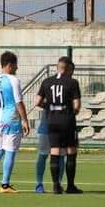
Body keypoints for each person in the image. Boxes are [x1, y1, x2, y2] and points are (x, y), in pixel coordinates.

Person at [35, 57, 82, 194]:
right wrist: (72, 111)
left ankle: (56, 186)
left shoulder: (47, 81)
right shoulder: (72, 82)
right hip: (67, 120)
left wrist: (50, 106)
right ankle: (70, 186)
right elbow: (77, 106)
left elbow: (37, 102)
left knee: (55, 151)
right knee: (71, 152)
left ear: (58, 67)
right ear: (68, 68)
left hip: (52, 121)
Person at [0, 51, 31, 194]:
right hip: (11, 119)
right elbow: (18, 101)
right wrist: (24, 120)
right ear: (10, 65)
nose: (17, 68)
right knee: (10, 152)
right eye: (16, 65)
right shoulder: (13, 80)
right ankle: (5, 185)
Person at [34, 115, 64, 194]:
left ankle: (58, 184)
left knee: (60, 156)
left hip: (62, 128)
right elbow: (39, 103)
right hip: (46, 127)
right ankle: (39, 183)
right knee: (43, 155)